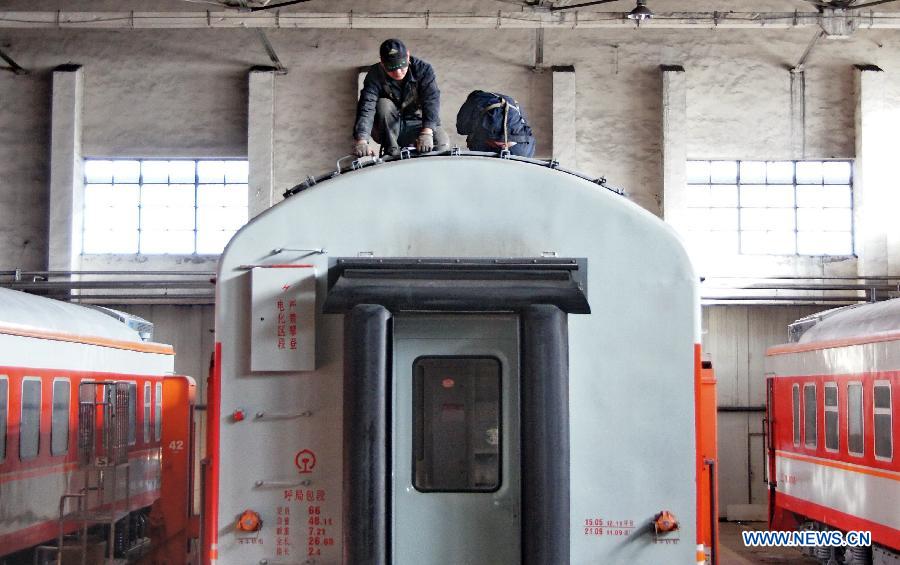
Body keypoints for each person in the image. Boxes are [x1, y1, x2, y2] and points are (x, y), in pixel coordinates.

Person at [353, 39, 450, 157]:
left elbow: (431, 101)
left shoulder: (423, 70)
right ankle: (391, 151)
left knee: (442, 143)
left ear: (408, 56)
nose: (398, 72)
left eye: (401, 66)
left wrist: (427, 132)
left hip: (419, 123)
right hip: (390, 126)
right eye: (392, 69)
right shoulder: (374, 75)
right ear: (382, 64)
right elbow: (366, 106)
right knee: (383, 104)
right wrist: (362, 140)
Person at [456, 90, 535, 157]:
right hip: (522, 149)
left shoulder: (474, 101)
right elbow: (527, 130)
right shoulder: (513, 103)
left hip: (490, 148)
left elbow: (461, 129)